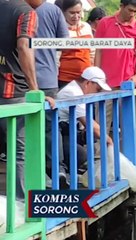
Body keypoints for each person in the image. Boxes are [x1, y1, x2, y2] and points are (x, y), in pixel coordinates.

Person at [0, 0, 55, 200]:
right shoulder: (26, 12)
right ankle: (23, 205)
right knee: (20, 150)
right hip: (12, 91)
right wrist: (35, 90)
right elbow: (24, 46)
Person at [94, 0, 136, 139]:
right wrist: (96, 76)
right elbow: (99, 51)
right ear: (122, 6)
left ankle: (128, 157)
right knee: (101, 121)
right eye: (130, 10)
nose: (133, 14)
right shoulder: (105, 23)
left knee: (128, 122)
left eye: (135, 11)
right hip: (105, 82)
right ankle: (99, 155)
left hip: (127, 82)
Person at [35, 1, 70, 188]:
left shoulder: (11, 8)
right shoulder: (53, 10)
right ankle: (57, 169)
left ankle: (33, 174)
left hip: (17, 79)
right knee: (50, 127)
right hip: (47, 77)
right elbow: (64, 43)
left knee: (21, 130)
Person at [57, 67, 113, 171]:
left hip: (69, 132)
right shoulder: (73, 93)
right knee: (83, 158)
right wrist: (108, 140)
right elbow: (89, 123)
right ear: (88, 83)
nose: (97, 93)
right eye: (97, 89)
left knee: (90, 141)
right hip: (59, 135)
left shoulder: (78, 91)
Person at [57, 0, 93, 88]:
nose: (76, 16)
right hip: (66, 80)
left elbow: (92, 52)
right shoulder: (60, 29)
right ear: (63, 12)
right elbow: (56, 57)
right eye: (72, 13)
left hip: (86, 79)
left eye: (78, 12)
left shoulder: (87, 27)